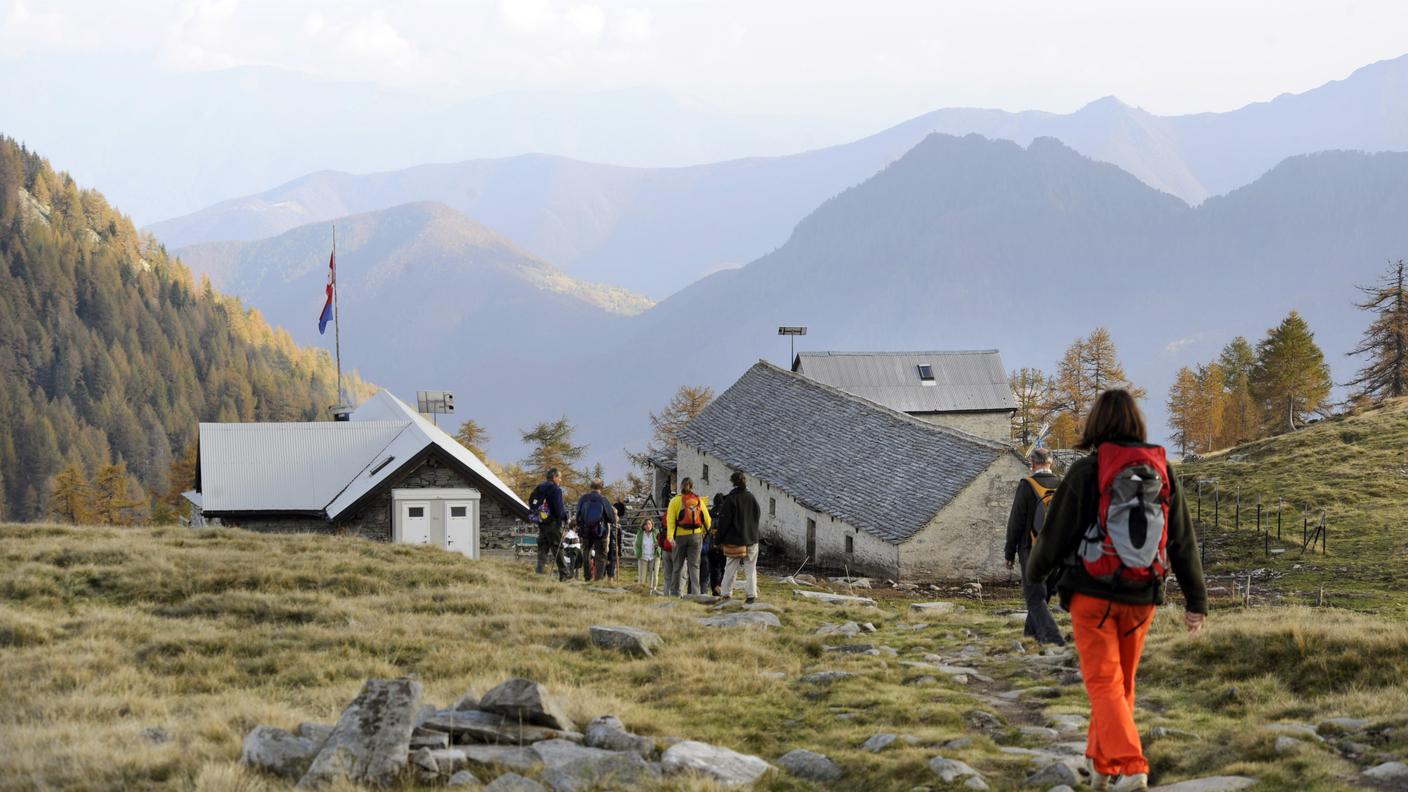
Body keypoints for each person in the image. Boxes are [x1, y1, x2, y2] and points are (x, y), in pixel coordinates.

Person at [1026, 390, 1208, 792]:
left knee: (1104, 683)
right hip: (1143, 596)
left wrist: (1034, 577)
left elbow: (1055, 537)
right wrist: (1196, 602)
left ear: (1095, 425)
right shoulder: (1162, 472)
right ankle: (1101, 764)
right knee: (1121, 684)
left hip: (1093, 597)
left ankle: (1130, 765)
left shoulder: (1087, 472)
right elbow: (1182, 541)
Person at [1004, 447, 1066, 646]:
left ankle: (1055, 640)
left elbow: (1016, 521)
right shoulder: (1063, 485)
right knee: (1043, 597)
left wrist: (1009, 552)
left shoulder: (1027, 485)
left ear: (1032, 463)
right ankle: (1031, 638)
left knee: (1034, 598)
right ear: (1051, 463)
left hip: (1031, 549)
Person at [714, 471, 762, 603]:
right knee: (751, 567)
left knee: (730, 567)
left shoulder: (731, 499)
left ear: (733, 483)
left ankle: (726, 593)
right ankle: (751, 595)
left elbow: (724, 522)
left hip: (734, 540)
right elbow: (757, 515)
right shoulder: (751, 498)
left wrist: (718, 539)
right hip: (751, 539)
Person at [665, 477, 711, 595]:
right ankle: (695, 593)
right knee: (694, 567)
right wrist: (702, 533)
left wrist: (670, 537)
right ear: (692, 486)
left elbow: (670, 521)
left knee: (677, 567)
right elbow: (708, 520)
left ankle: (675, 593)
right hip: (696, 536)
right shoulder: (698, 500)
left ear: (681, 487)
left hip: (680, 536)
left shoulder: (675, 501)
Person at [529, 469, 570, 581]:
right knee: (557, 547)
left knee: (543, 546)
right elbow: (559, 508)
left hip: (541, 522)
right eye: (560, 477)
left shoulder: (539, 488)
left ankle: (540, 572)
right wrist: (565, 518)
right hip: (553, 523)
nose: (560, 480)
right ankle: (564, 574)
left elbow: (531, 502)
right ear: (554, 477)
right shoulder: (556, 489)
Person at [576, 479, 618, 582]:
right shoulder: (603, 499)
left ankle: (587, 577)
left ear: (591, 486)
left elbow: (578, 515)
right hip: (600, 532)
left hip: (586, 531)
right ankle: (598, 580)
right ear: (601, 487)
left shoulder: (583, 499)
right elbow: (612, 519)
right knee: (600, 556)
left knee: (586, 553)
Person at [702, 491, 729, 596]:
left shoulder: (709, 512)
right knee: (724, 568)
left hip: (711, 545)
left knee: (713, 569)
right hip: (722, 545)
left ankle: (714, 589)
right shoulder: (726, 513)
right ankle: (720, 586)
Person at [634, 516, 661, 594]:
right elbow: (636, 544)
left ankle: (653, 590)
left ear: (652, 525)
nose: (648, 526)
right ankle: (641, 590)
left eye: (649, 524)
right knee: (642, 575)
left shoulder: (656, 532)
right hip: (643, 557)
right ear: (643, 526)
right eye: (646, 524)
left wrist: (658, 545)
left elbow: (660, 542)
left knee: (654, 575)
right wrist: (637, 553)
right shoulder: (640, 534)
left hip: (654, 556)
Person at [607, 498, 628, 581]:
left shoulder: (618, 527)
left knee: (611, 570)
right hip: (607, 549)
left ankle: (610, 583)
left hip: (613, 550)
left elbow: (619, 540)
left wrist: (619, 552)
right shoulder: (608, 525)